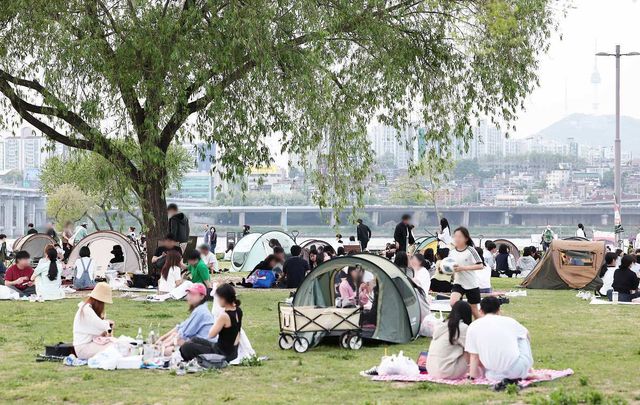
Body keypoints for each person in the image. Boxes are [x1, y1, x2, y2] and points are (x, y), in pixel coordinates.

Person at [466, 297, 533, 385]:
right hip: (518, 369)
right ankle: (527, 371)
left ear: (480, 311)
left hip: (493, 374)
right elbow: (526, 335)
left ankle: (520, 374)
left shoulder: (473, 326)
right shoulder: (510, 321)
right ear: (499, 310)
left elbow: (474, 356)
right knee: (523, 336)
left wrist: (472, 377)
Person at [180, 283, 243, 363]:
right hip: (231, 351)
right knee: (195, 339)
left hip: (221, 353)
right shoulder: (238, 310)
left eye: (218, 298)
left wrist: (216, 321)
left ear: (223, 299)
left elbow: (211, 334)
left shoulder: (224, 316)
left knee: (186, 347)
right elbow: (237, 333)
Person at [157, 283, 215, 354]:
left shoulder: (201, 311)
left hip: (207, 347)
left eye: (193, 294)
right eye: (189, 293)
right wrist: (161, 339)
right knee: (174, 337)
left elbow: (184, 334)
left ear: (202, 296)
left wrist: (165, 345)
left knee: (170, 348)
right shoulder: (199, 309)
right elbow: (180, 327)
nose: (189, 296)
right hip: (201, 344)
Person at [425, 301, 472, 379]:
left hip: (431, 370)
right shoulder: (461, 328)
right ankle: (475, 372)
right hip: (447, 372)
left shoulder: (441, 325)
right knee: (471, 350)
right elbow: (472, 349)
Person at [72, 282, 115, 360]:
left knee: (118, 344)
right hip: (83, 348)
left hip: (90, 344)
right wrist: (108, 324)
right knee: (116, 347)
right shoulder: (87, 310)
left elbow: (99, 327)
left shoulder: (88, 309)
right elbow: (101, 326)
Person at [449, 227, 483, 319]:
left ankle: (480, 325)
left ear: (466, 238)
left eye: (460, 237)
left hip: (471, 284)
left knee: (474, 310)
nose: (457, 239)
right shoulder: (452, 252)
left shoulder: (471, 250)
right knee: (453, 303)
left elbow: (480, 265)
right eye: (455, 236)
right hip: (458, 282)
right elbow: (450, 267)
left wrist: (462, 268)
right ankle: (461, 321)